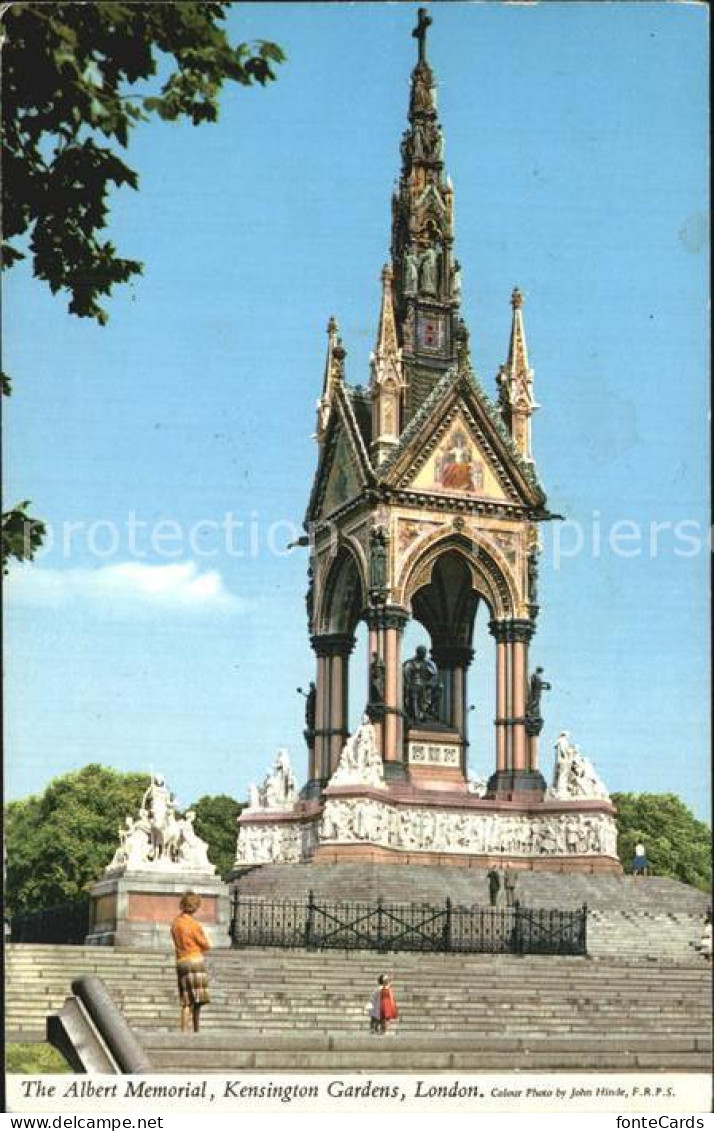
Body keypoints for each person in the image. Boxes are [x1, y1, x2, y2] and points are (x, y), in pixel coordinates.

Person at [171, 891, 211, 1033]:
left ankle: (183, 1029)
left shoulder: (175, 923)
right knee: (198, 1000)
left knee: (186, 1000)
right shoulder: (194, 925)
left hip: (181, 961)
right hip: (194, 960)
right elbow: (205, 944)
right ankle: (195, 1029)